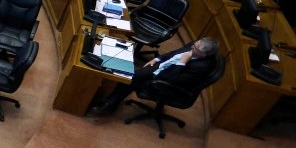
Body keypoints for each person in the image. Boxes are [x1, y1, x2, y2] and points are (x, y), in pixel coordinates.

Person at [90, 37, 220, 114]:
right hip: (160, 66)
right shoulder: (195, 47)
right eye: (194, 45)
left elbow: (174, 79)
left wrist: (182, 62)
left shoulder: (201, 67)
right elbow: (174, 53)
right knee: (129, 74)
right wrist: (157, 59)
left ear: (204, 55)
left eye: (195, 49)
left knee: (131, 77)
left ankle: (109, 104)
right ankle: (112, 102)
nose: (191, 47)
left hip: (166, 79)